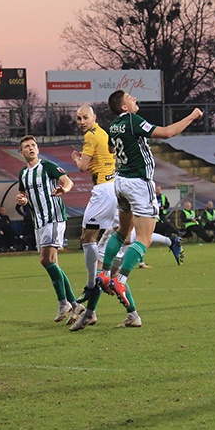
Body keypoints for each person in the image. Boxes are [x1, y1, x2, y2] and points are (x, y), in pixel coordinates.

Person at [75, 90, 202, 331]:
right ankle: (120, 280)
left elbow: (112, 151)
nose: (135, 100)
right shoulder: (133, 120)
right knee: (143, 237)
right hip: (138, 183)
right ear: (124, 107)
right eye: (130, 98)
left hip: (120, 182)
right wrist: (192, 116)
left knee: (122, 232)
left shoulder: (113, 126)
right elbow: (167, 132)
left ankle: (103, 274)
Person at [15, 135, 84, 325]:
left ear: (37, 149)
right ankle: (74, 304)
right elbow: (24, 194)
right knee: (53, 263)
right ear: (21, 152)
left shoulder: (47, 166)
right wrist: (23, 200)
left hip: (53, 217)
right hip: (38, 222)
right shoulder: (23, 173)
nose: (31, 148)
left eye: (33, 145)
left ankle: (64, 303)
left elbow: (67, 181)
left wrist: (65, 190)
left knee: (45, 260)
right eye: (27, 146)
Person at [71, 104, 119, 315]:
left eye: (84, 118)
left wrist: (77, 159)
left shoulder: (91, 136)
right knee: (119, 234)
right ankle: (113, 276)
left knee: (87, 237)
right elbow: (112, 151)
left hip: (103, 191)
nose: (81, 122)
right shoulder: (103, 132)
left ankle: (92, 284)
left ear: (94, 117)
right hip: (114, 185)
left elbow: (82, 167)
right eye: (78, 118)